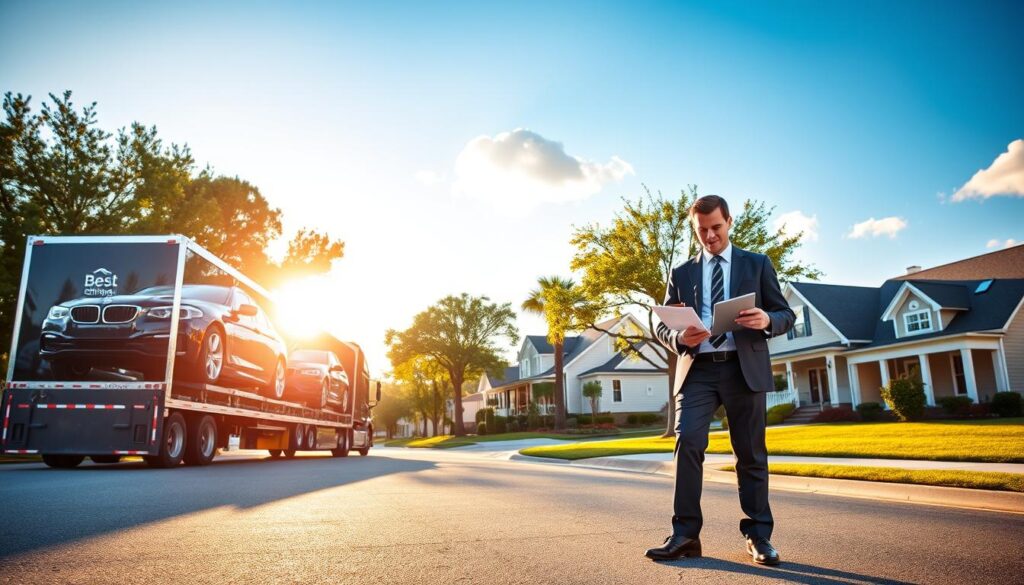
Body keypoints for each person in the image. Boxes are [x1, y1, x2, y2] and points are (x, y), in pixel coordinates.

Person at [646, 195, 795, 565]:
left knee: (750, 453)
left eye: (716, 227)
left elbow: (785, 314)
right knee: (688, 441)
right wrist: (678, 337)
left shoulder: (757, 264)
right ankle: (685, 535)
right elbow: (660, 322)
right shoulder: (681, 272)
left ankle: (759, 536)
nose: (710, 236)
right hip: (698, 369)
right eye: (702, 230)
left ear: (729, 222)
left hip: (743, 368)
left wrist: (767, 320)